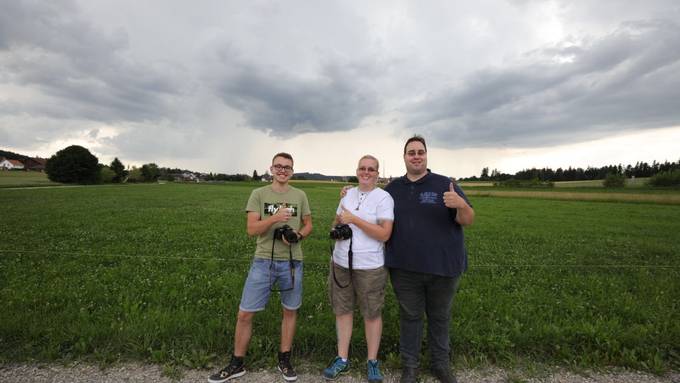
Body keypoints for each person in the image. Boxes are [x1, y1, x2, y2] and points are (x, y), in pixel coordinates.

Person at [209, 152, 313, 383]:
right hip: (263, 261)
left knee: (290, 311)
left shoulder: (300, 195)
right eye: (279, 166)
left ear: (292, 171)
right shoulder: (259, 194)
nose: (283, 170)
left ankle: (284, 359)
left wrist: (298, 235)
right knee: (245, 313)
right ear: (271, 169)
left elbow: (309, 225)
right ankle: (237, 363)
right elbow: (252, 229)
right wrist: (274, 218)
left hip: (292, 262)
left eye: (287, 167)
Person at [384, 136, 474, 383]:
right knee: (410, 317)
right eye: (411, 152)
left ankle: (440, 365)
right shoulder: (392, 189)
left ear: (426, 155)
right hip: (404, 268)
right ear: (404, 157)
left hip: (444, 267)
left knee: (440, 316)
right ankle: (410, 366)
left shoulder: (446, 184)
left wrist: (460, 205)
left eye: (420, 152)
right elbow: (372, 212)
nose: (416, 156)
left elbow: (467, 220)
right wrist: (348, 194)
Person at [323, 155, 394, 383]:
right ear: (357, 171)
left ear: (377, 173)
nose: (366, 172)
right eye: (362, 168)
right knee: (343, 311)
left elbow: (384, 234)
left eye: (371, 169)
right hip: (341, 262)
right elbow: (336, 222)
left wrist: (354, 220)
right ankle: (342, 358)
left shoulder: (384, 198)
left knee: (371, 313)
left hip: (370, 266)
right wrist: (338, 226)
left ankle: (372, 361)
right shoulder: (348, 194)